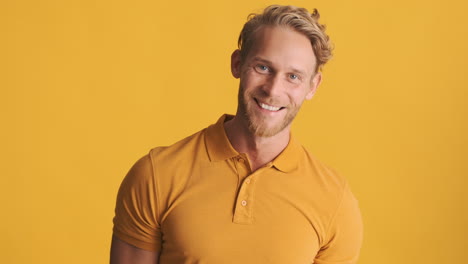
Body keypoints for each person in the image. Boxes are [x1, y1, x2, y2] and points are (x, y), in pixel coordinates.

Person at [110, 4, 363, 264]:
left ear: (313, 85)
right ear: (237, 63)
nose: (273, 90)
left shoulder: (335, 202)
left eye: (293, 76)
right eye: (263, 68)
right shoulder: (156, 175)